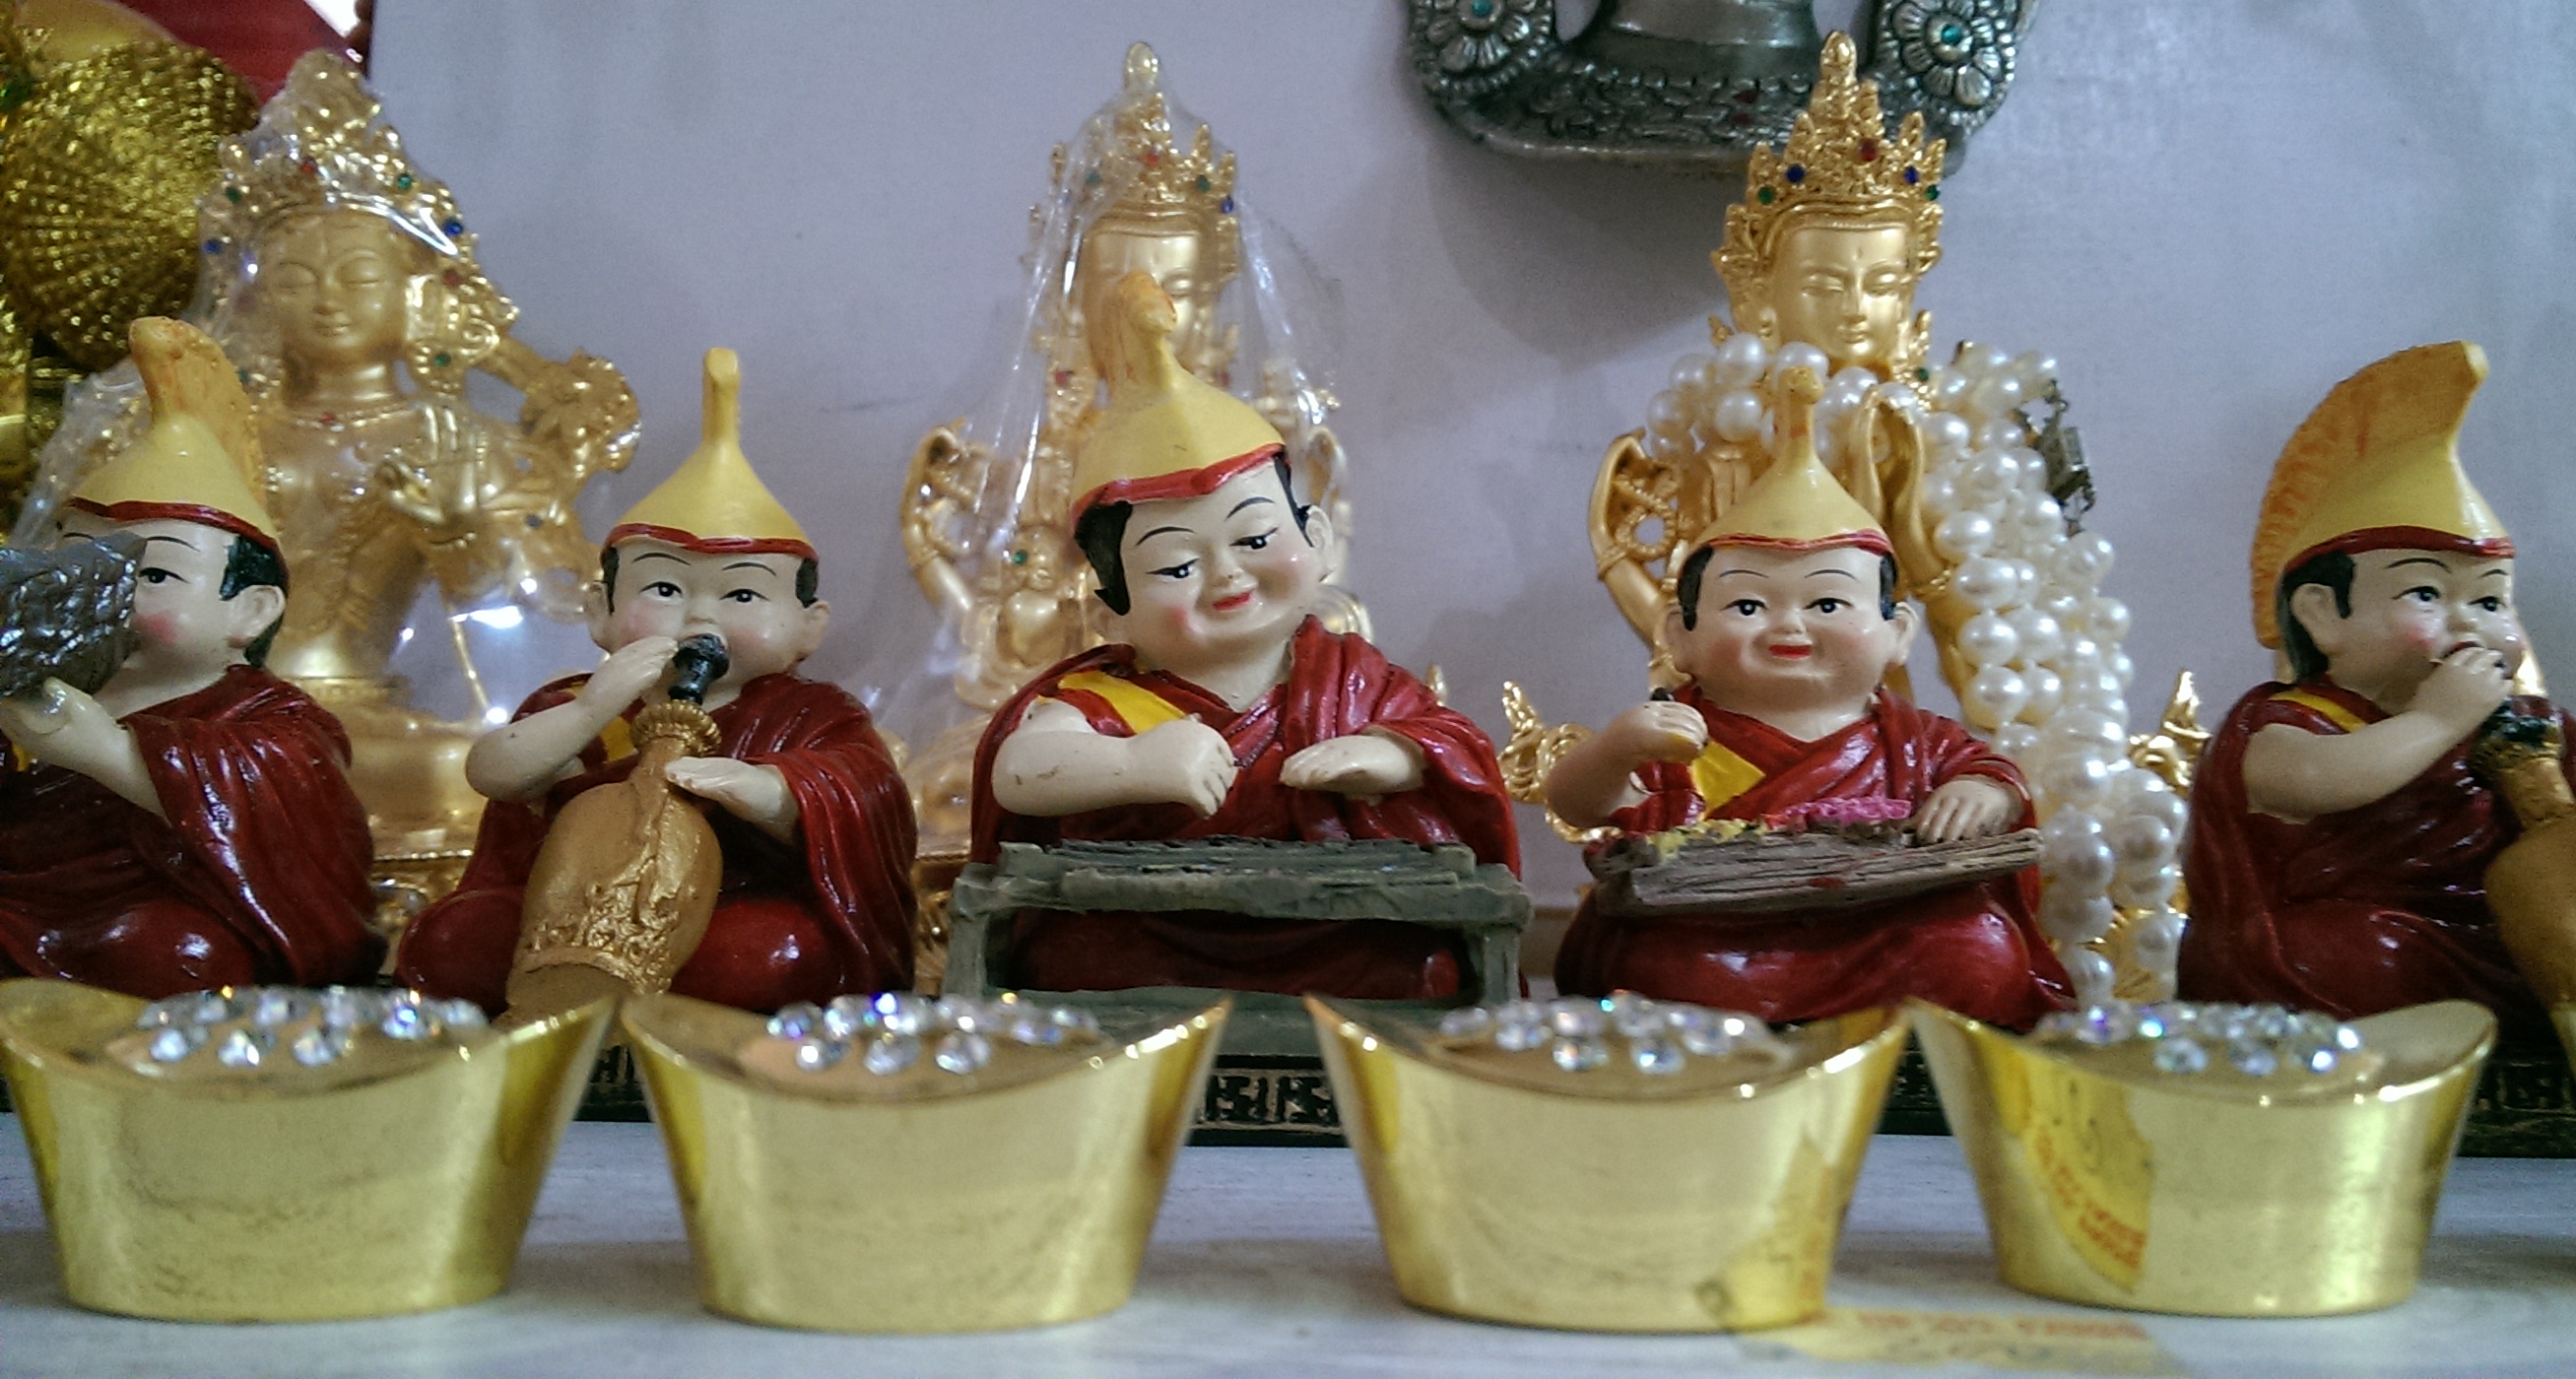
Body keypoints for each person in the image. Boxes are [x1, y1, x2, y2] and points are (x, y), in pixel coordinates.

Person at [970, 271, 1517, 999]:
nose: (1227, 575)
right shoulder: (1105, 699)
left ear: (1317, 540)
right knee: (1080, 968)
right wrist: (1134, 764)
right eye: (1176, 563)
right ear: (1110, 610)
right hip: (1148, 930)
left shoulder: (1353, 683)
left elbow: (1457, 744)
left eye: (1256, 539)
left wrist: (1392, 751)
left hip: (1334, 927)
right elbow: (1021, 768)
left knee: (1414, 973)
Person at [395, 350, 914, 1014]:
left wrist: (770, 789)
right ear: (601, 614)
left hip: (731, 907)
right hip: (561, 912)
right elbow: (496, 772)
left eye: (743, 596)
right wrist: (588, 713)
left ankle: (648, 1023)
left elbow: (864, 792)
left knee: (774, 954)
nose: (699, 615)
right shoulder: (575, 702)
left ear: (809, 628)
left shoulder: (810, 712)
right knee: (450, 938)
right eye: (664, 588)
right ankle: (566, 1008)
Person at [1550, 367, 2069, 1028]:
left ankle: (1914, 1068)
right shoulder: (1677, 733)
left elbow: (1993, 774)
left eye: (1827, 602)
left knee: (1981, 951)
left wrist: (1986, 794)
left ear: (1897, 633)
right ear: (1680, 635)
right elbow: (1579, 803)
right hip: (1716, 929)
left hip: (1887, 922)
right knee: (1662, 973)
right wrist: (1620, 745)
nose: (1789, 625)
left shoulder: (1915, 740)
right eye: (1747, 604)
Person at [2180, 342, 2576, 1031]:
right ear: (2323, 615)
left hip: (2502, 927)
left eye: (2489, 602)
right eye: (2425, 592)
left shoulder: (2524, 720)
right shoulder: (2286, 721)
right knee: (2343, 954)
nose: (2470, 625)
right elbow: (2315, 781)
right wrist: (2434, 721)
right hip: (2363, 941)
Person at [0, 319, 380, 996]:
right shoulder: (32, 681)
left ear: (251, 611)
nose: (98, 593)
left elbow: (285, 808)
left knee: (179, 951)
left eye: (151, 576)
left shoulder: (276, 719)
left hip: (160, 917)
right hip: (23, 902)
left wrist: (109, 756)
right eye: (71, 562)